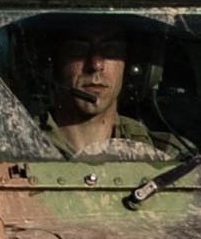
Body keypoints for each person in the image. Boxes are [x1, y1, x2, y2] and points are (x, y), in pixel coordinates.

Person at [28, 17, 187, 161]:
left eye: (111, 50)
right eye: (78, 50)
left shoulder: (166, 156)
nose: (96, 65)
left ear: (131, 66)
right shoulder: (14, 147)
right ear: (52, 64)